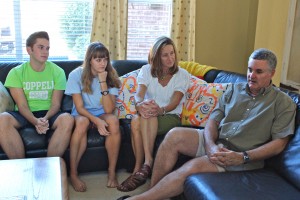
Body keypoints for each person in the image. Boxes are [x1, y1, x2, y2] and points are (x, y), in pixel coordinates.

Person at [117, 48, 297, 200]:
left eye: (259, 72)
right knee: (174, 135)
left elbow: (279, 143)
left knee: (192, 167)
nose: (251, 76)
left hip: (239, 155)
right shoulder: (234, 89)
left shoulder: (283, 103)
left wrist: (243, 157)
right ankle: (154, 193)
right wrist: (210, 145)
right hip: (216, 141)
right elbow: (213, 120)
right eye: (250, 70)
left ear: (272, 73)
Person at [117, 36, 190, 192]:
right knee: (137, 119)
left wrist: (160, 110)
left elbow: (175, 102)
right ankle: (141, 167)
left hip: (170, 115)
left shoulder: (182, 74)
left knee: (141, 118)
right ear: (157, 56)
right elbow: (139, 94)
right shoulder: (146, 70)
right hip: (149, 114)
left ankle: (145, 164)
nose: (170, 58)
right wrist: (140, 104)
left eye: (172, 53)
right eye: (165, 55)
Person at [0, 31, 74, 159]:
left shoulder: (58, 71)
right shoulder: (16, 73)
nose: (45, 51)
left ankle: (50, 166)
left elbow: (56, 104)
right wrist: (35, 121)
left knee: (67, 119)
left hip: (49, 113)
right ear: (29, 50)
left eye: (47, 48)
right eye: (41, 47)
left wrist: (44, 119)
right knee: (3, 118)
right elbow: (22, 105)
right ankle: (21, 167)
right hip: (25, 113)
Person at [65, 42, 121, 192]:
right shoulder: (76, 74)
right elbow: (79, 108)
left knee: (114, 121)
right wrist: (96, 120)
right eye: (98, 60)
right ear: (90, 60)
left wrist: (103, 81)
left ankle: (111, 171)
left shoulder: (112, 75)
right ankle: (73, 173)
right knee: (82, 123)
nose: (103, 63)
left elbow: (109, 109)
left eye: (105, 59)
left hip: (102, 112)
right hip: (82, 113)